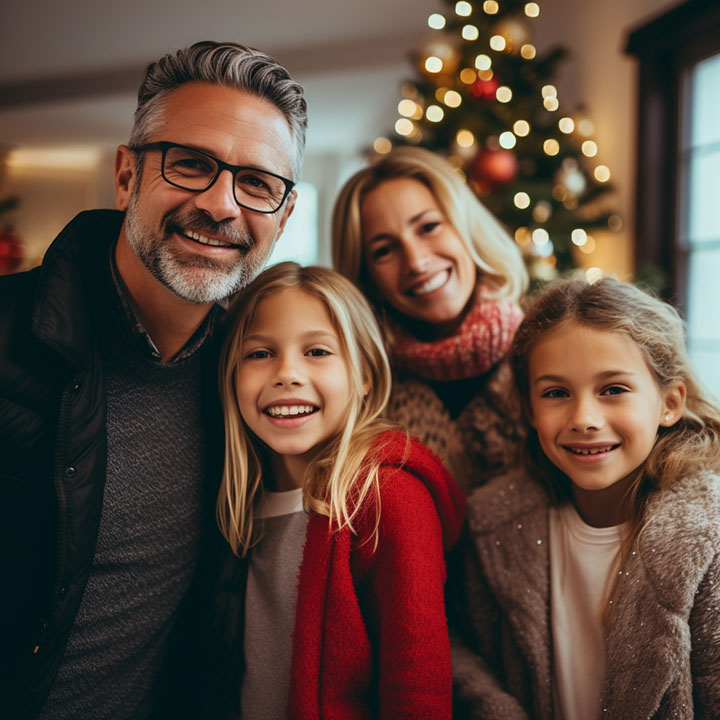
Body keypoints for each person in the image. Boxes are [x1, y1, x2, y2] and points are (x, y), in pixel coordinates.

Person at [0, 41, 306, 720]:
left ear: (283, 218)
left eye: (256, 183)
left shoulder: (254, 384)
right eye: (191, 164)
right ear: (126, 175)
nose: (221, 204)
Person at [200, 262, 465, 718]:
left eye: (318, 352)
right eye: (259, 354)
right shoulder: (235, 501)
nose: (287, 374)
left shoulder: (389, 499)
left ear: (364, 375)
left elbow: (416, 689)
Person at [451, 277, 720, 719]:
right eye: (556, 393)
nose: (584, 419)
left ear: (669, 402)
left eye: (613, 389)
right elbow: (466, 649)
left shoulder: (708, 537)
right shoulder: (491, 525)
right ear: (529, 411)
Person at [332, 146, 529, 491]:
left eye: (428, 227)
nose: (416, 261)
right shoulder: (362, 392)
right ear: (368, 280)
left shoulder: (541, 351)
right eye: (384, 250)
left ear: (467, 229)